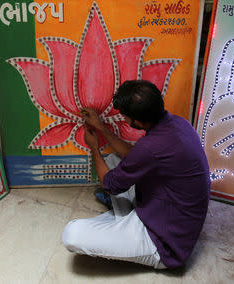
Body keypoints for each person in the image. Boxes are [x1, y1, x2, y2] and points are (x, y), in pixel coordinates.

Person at [61, 80, 211, 269]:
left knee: (71, 234)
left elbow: (110, 184)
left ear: (137, 122)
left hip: (166, 245)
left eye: (124, 116)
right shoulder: (178, 123)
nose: (123, 119)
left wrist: (95, 148)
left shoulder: (150, 147)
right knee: (114, 161)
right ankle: (124, 218)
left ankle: (125, 222)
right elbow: (135, 156)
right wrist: (100, 127)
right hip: (167, 209)